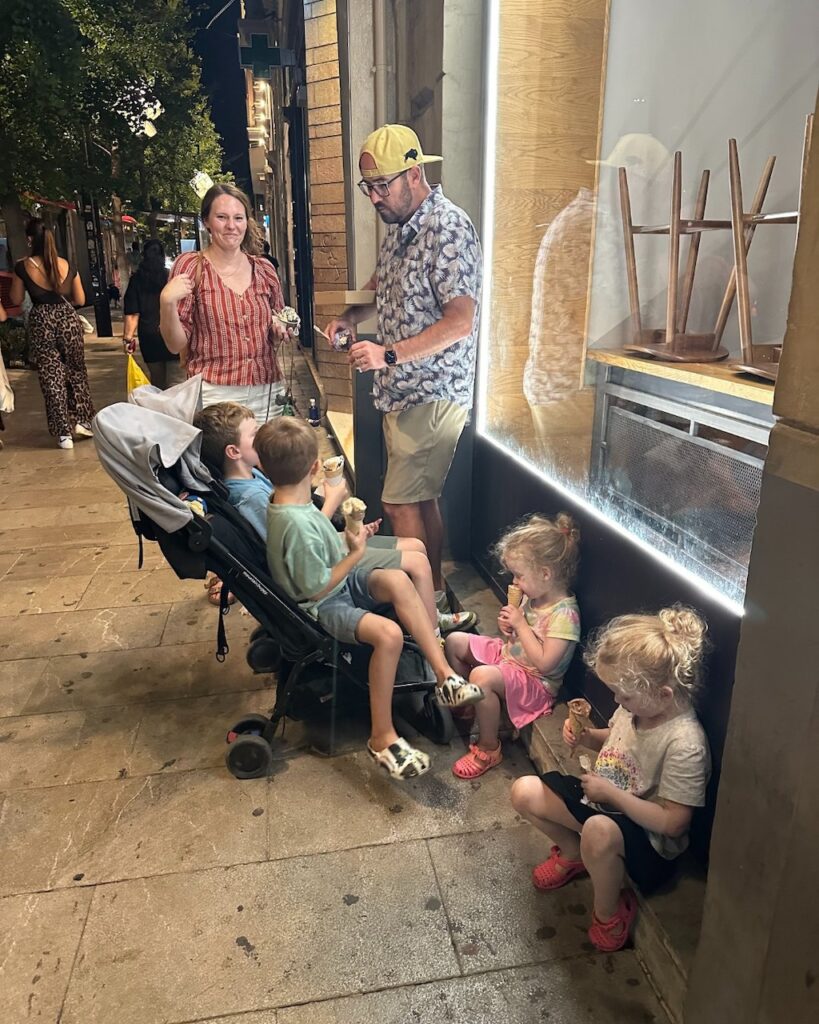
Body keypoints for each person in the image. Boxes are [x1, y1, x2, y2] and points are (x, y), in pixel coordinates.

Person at [256, 416, 486, 779]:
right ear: (316, 466)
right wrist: (356, 554)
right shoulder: (294, 523)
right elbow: (315, 587)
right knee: (389, 635)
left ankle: (443, 675)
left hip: (339, 581)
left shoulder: (290, 507)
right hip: (323, 606)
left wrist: (350, 539)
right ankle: (381, 736)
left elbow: (319, 550)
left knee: (396, 579)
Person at [325, 124, 483, 615]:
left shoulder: (447, 227)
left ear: (415, 173)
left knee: (395, 504)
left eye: (382, 185)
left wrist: (386, 353)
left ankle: (423, 612)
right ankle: (434, 593)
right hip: (403, 393)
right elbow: (381, 284)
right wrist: (350, 317)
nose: (374, 197)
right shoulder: (401, 226)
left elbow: (461, 321)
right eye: (367, 188)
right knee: (420, 500)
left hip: (433, 392)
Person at [510, 607, 711, 953]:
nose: (617, 701)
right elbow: (616, 737)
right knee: (524, 791)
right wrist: (587, 737)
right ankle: (573, 855)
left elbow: (674, 823)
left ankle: (609, 910)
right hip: (601, 801)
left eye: (624, 696)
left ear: (664, 694)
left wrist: (614, 796)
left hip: (647, 842)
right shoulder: (637, 706)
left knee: (598, 831)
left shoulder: (685, 743)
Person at [196, 401, 474, 631]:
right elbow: (293, 544)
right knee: (416, 559)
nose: (260, 438)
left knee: (417, 546)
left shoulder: (254, 476)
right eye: (253, 434)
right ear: (233, 451)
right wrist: (332, 501)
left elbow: (299, 518)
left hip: (327, 542)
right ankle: (431, 633)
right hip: (322, 558)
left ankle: (429, 616)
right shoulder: (250, 497)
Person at [445, 513, 581, 779]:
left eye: (519, 576)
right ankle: (470, 706)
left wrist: (520, 626)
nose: (515, 582)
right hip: (510, 658)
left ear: (545, 574)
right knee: (454, 642)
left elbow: (545, 663)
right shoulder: (535, 594)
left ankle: (489, 748)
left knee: (481, 677)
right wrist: (509, 626)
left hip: (535, 681)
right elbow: (514, 635)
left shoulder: (566, 616)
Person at [159, 183, 290, 420]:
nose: (231, 226)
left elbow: (277, 326)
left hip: (267, 391)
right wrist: (166, 302)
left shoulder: (264, 270)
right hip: (214, 394)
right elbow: (175, 345)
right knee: (224, 458)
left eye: (238, 218)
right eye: (222, 217)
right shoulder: (190, 267)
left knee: (267, 457)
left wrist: (280, 327)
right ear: (206, 221)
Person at [9, 218, 94, 449]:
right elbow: (81, 299)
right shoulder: (66, 264)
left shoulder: (22, 266)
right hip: (67, 319)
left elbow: (16, 300)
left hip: (41, 321)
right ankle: (83, 421)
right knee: (76, 370)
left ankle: (63, 431)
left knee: (51, 375)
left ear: (29, 239)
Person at [123, 240, 185, 390]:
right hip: (172, 333)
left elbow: (132, 313)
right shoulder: (171, 278)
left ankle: (159, 409)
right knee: (177, 383)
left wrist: (128, 339)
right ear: (163, 256)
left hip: (149, 337)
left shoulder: (136, 280)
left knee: (157, 383)